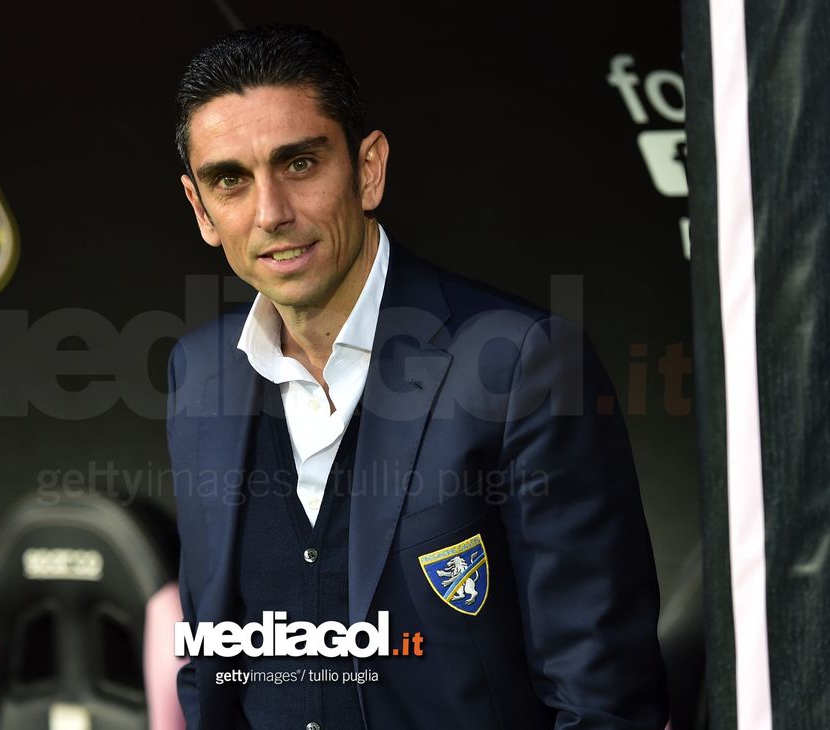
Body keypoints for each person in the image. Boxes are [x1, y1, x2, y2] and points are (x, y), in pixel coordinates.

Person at [165, 24, 669, 730]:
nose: (271, 213)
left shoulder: (519, 362)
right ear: (201, 210)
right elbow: (213, 666)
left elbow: (603, 700)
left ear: (367, 169)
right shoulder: (198, 372)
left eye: (301, 164)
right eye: (231, 181)